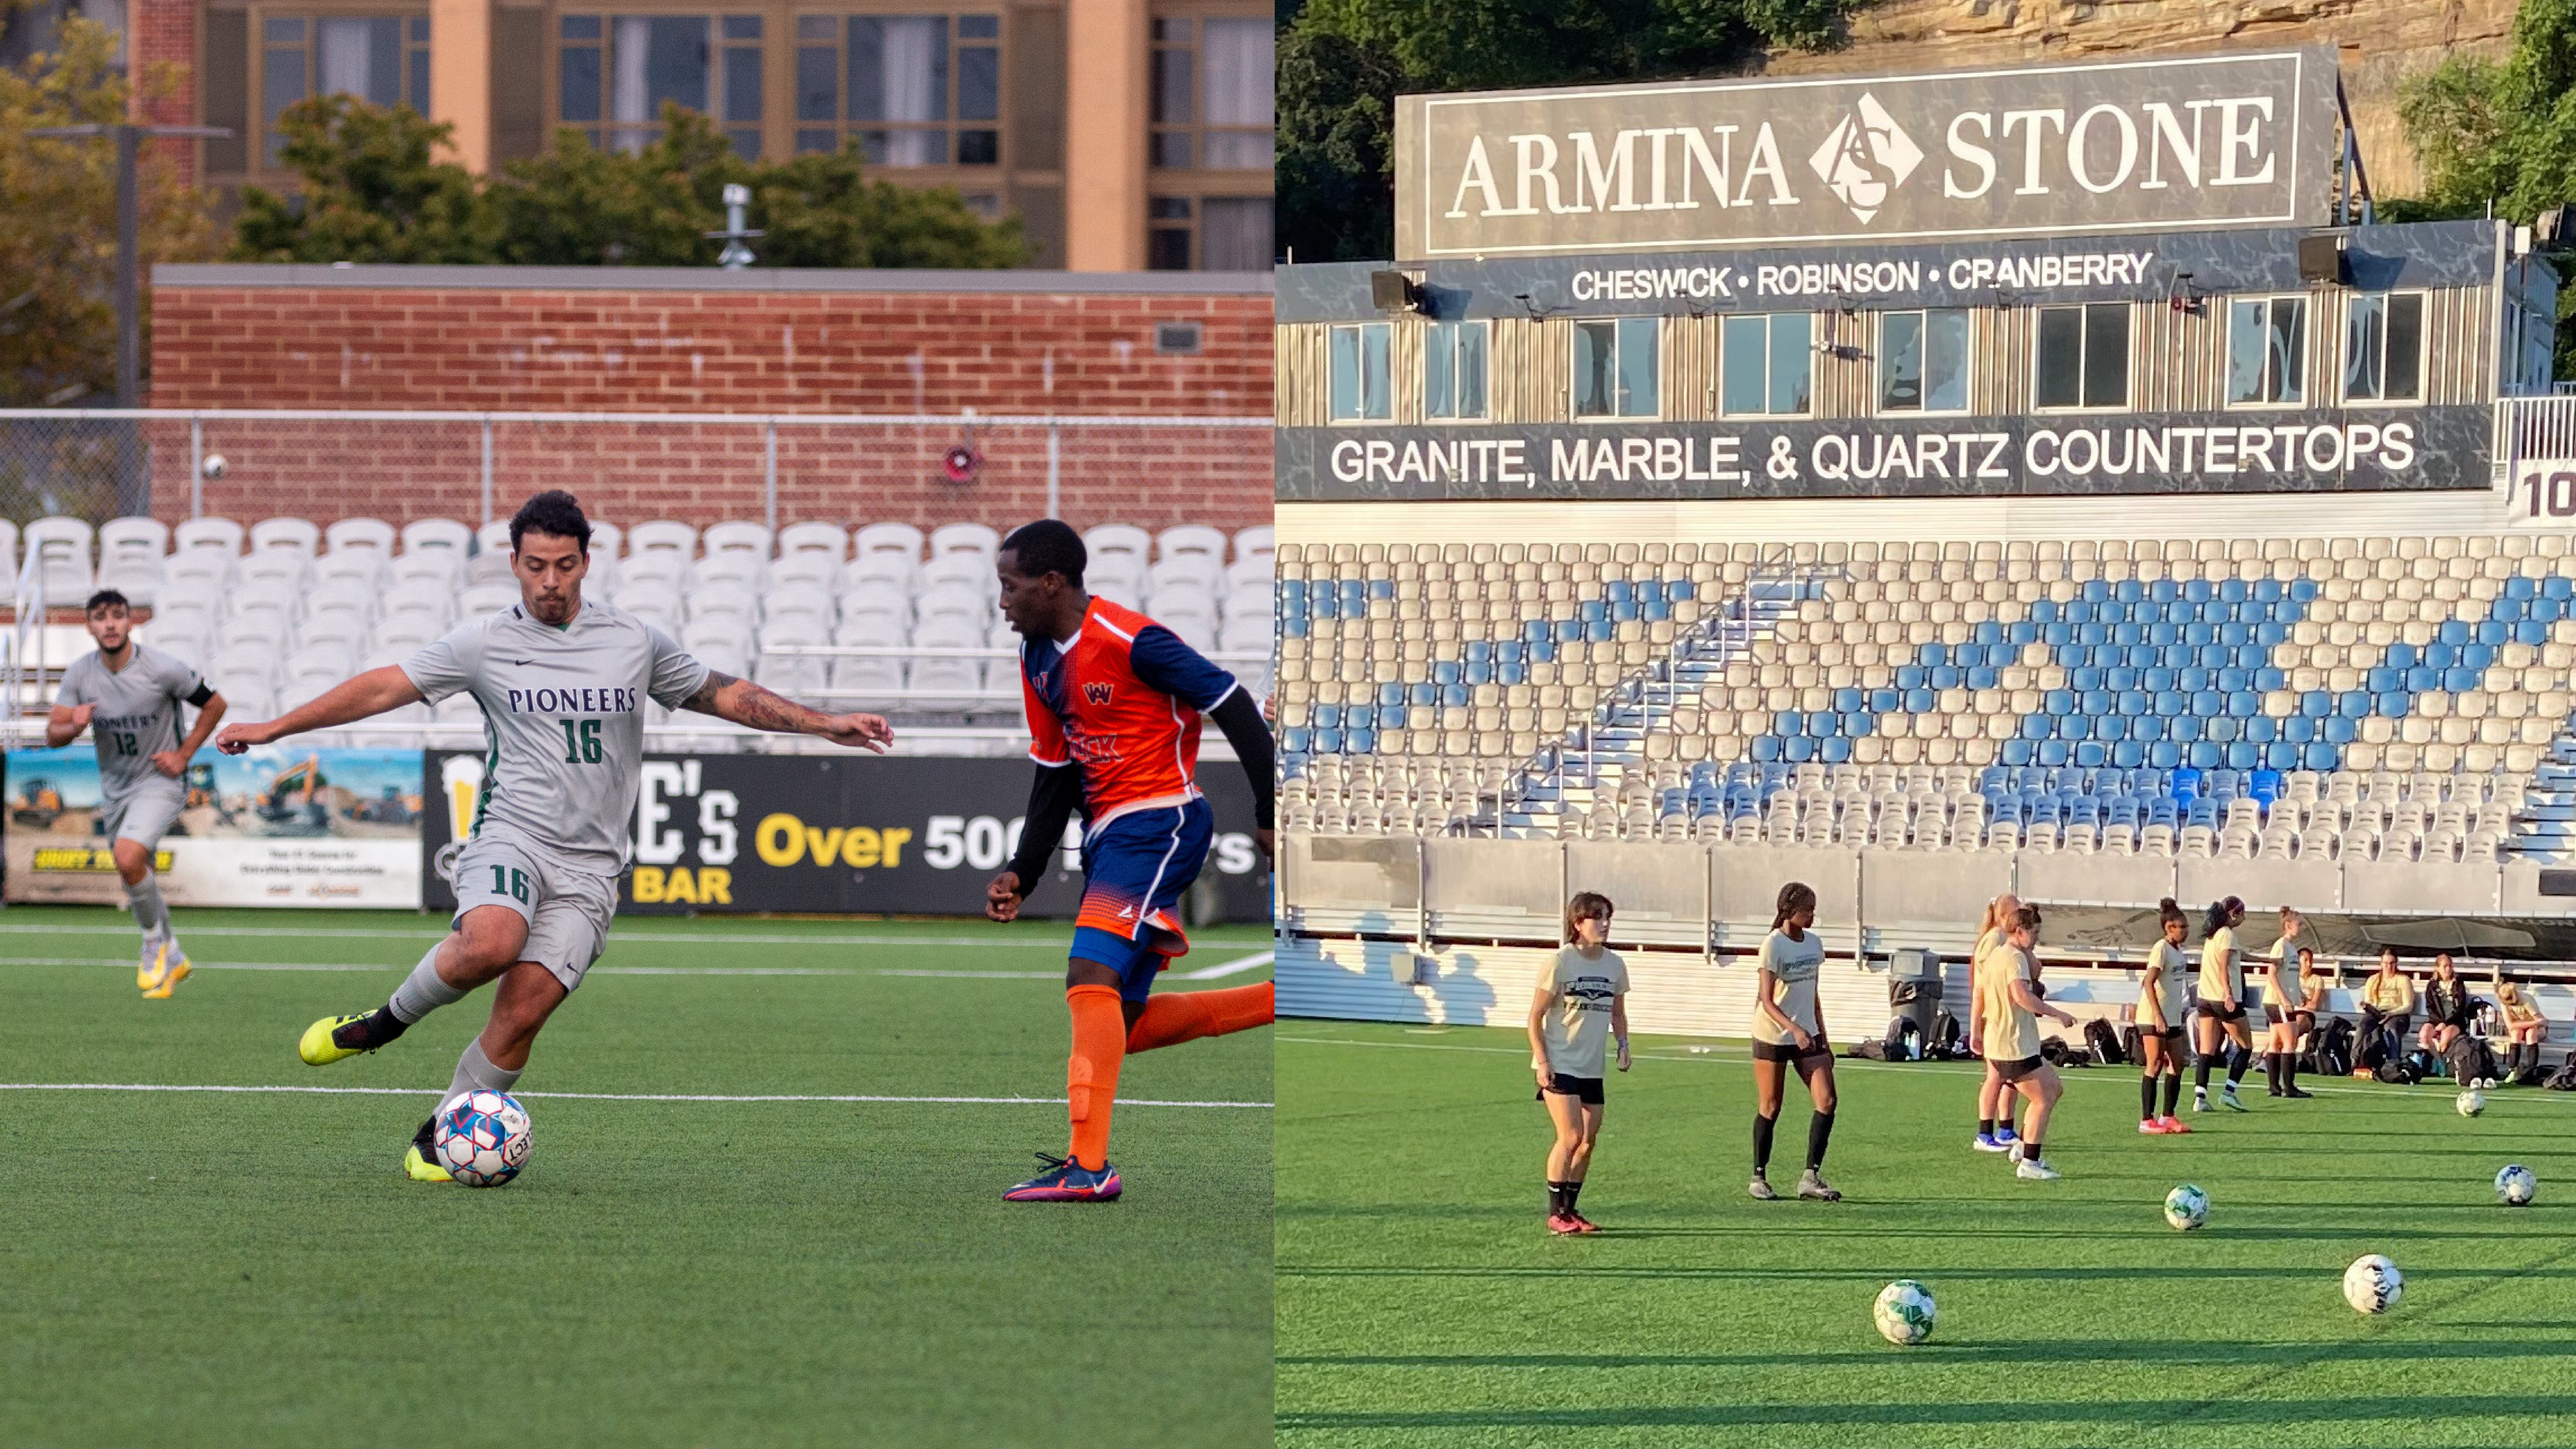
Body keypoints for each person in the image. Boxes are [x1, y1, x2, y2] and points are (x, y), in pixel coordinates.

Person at [231, 491, 896, 1181]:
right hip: (512, 835)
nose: (551, 582)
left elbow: (722, 693)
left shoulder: (632, 642)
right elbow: (382, 689)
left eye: (566, 566)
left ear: (587, 562)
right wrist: (276, 728)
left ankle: (441, 1134)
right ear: (514, 562)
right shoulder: (485, 643)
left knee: (525, 1012)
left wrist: (824, 723)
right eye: (537, 566)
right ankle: (383, 1025)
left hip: (592, 865)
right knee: (492, 942)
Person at [981, 519, 1278, 1203]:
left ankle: (1090, 1168)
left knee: (1088, 972)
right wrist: (1022, 871)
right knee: (1123, 1016)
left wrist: (1268, 811)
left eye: (1010, 586)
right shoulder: (1036, 657)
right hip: (1111, 835)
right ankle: (1283, 1001)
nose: (1002, 601)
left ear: (1050, 583)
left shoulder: (1131, 640)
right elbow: (1054, 770)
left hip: (1160, 820)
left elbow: (1231, 702)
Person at [47, 588, 229, 999]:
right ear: (89, 625)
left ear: (130, 622)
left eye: (117, 615)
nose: (109, 623)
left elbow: (216, 704)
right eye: (100, 617)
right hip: (116, 789)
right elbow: (53, 734)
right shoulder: (80, 675)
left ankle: (152, 944)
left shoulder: (162, 668)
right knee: (135, 871)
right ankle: (176, 957)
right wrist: (73, 725)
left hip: (161, 781)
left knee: (127, 858)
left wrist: (184, 755)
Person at [1528, 892, 1629, 1234]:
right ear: (1577, 923)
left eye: (1607, 917)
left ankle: (1571, 1212)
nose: (1604, 924)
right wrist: (1542, 1062)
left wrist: (1623, 1045)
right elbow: (1534, 1018)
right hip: (1559, 1063)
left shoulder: (1614, 965)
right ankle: (1555, 1213)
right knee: (1569, 1137)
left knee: (1588, 1142)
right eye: (1596, 917)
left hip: (1591, 1067)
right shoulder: (1560, 962)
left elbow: (1618, 1013)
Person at [1747, 881, 1841, 1202]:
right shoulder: (1773, 945)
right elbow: (1766, 999)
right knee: (1771, 1106)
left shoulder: (1813, 944)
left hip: (1808, 1035)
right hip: (1772, 1034)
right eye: (1807, 910)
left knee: (1827, 1100)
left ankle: (1810, 1176)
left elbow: (1812, 995)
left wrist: (1822, 1040)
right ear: (1790, 911)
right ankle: (1759, 1176)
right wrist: (1793, 1029)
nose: (1812, 916)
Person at [1983, 904, 2078, 1180]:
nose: (2037, 937)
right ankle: (2030, 1163)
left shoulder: (2002, 955)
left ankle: (2024, 1147)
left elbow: (2035, 972)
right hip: (2013, 1044)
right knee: (2044, 1098)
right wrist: (2057, 1013)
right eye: (2034, 932)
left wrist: (2028, 950)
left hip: (2004, 1042)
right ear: (2020, 930)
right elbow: (2022, 996)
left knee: (2054, 1089)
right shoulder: (2013, 959)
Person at [2192, 896, 2257, 1113]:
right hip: (2223, 999)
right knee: (2246, 1047)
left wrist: (2268, 962)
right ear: (2233, 914)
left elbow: (2236, 957)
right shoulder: (2228, 935)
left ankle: (2200, 1098)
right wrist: (2229, 995)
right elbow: (2223, 967)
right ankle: (2229, 1092)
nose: (2244, 918)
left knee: (2207, 1051)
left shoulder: (2213, 936)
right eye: (2242, 914)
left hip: (2205, 999)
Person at [1969, 892, 2022, 1154]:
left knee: (2010, 1076)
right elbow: (1982, 986)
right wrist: (1976, 1027)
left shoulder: (2007, 940)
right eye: (2016, 910)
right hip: (1994, 1018)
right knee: (1995, 1076)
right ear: (2004, 916)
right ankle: (1984, 1133)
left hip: (2006, 1017)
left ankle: (2006, 1128)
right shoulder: (1993, 941)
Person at [2135, 898, 2192, 1134]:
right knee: (2155, 1063)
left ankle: (2168, 1115)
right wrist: (2158, 1016)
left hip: (2173, 1017)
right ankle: (2147, 1120)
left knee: (2178, 1063)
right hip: (2154, 1017)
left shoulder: (2178, 952)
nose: (2187, 931)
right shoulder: (2161, 949)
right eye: (2183, 927)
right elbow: (2149, 982)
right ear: (2170, 927)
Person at [2261, 935, 2321, 1100]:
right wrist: (2285, 999)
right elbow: (2272, 974)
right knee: (2289, 1042)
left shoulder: (2290, 947)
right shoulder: (2280, 945)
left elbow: (2289, 977)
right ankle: (2289, 1087)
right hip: (2279, 1002)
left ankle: (2275, 1088)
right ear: (2288, 924)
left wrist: (2298, 995)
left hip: (2281, 1002)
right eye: (2297, 922)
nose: (2300, 927)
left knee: (2276, 1042)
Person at [2358, 947, 2416, 1072]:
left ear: (2396, 964)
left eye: (2392, 963)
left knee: (2391, 1029)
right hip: (2376, 1012)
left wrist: (2392, 1013)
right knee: (2362, 1028)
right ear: (2381, 964)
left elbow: (2408, 1007)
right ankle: (2357, 1062)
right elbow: (2369, 1001)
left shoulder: (2403, 980)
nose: (2389, 967)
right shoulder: (2373, 980)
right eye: (2386, 963)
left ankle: (2393, 1065)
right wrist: (2367, 1007)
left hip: (2398, 1014)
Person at [2420, 953, 2476, 1062]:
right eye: (2445, 966)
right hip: (2437, 1021)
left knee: (2445, 1037)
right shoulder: (2432, 985)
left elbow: (2460, 1008)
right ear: (2438, 968)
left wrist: (2446, 1023)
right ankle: (2436, 1061)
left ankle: (2442, 1064)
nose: (2448, 969)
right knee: (2424, 1035)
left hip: (2455, 1021)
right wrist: (2440, 1022)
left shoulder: (2458, 984)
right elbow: (2430, 1008)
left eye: (2450, 966)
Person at [2499, 980, 2549, 1081]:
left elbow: (2542, 1022)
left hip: (2537, 1029)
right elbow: (2511, 1026)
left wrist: (2533, 1024)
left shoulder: (2526, 1001)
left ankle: (2532, 1070)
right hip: (2523, 1027)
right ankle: (2512, 1070)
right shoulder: (2504, 1003)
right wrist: (2532, 1024)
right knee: (2516, 1034)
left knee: (2531, 1034)